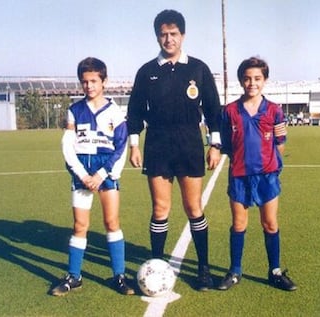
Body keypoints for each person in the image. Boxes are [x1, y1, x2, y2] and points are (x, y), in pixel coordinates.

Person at [126, 9, 222, 291]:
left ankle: (203, 269)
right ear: (157, 36)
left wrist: (214, 144)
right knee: (160, 208)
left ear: (183, 35)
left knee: (193, 207)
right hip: (156, 143)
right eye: (163, 34)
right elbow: (134, 112)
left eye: (174, 34)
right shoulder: (147, 71)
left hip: (189, 142)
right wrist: (134, 144)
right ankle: (157, 265)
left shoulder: (198, 69)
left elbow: (213, 110)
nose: (168, 39)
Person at [51, 57, 135, 296]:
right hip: (81, 172)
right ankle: (74, 276)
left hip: (105, 172)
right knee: (80, 225)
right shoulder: (75, 111)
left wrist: (101, 174)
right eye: (84, 81)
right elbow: (68, 145)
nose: (89, 86)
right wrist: (82, 174)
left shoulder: (115, 112)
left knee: (111, 222)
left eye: (93, 81)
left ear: (104, 81)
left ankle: (119, 275)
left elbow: (120, 147)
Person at [218, 57, 297, 292]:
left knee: (270, 223)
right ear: (241, 80)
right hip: (240, 176)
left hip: (267, 176)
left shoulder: (274, 110)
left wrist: (269, 164)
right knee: (239, 223)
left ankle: (274, 272)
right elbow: (225, 143)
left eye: (257, 78)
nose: (252, 83)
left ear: (265, 80)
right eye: (247, 78)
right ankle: (235, 271)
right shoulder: (230, 111)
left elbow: (280, 143)